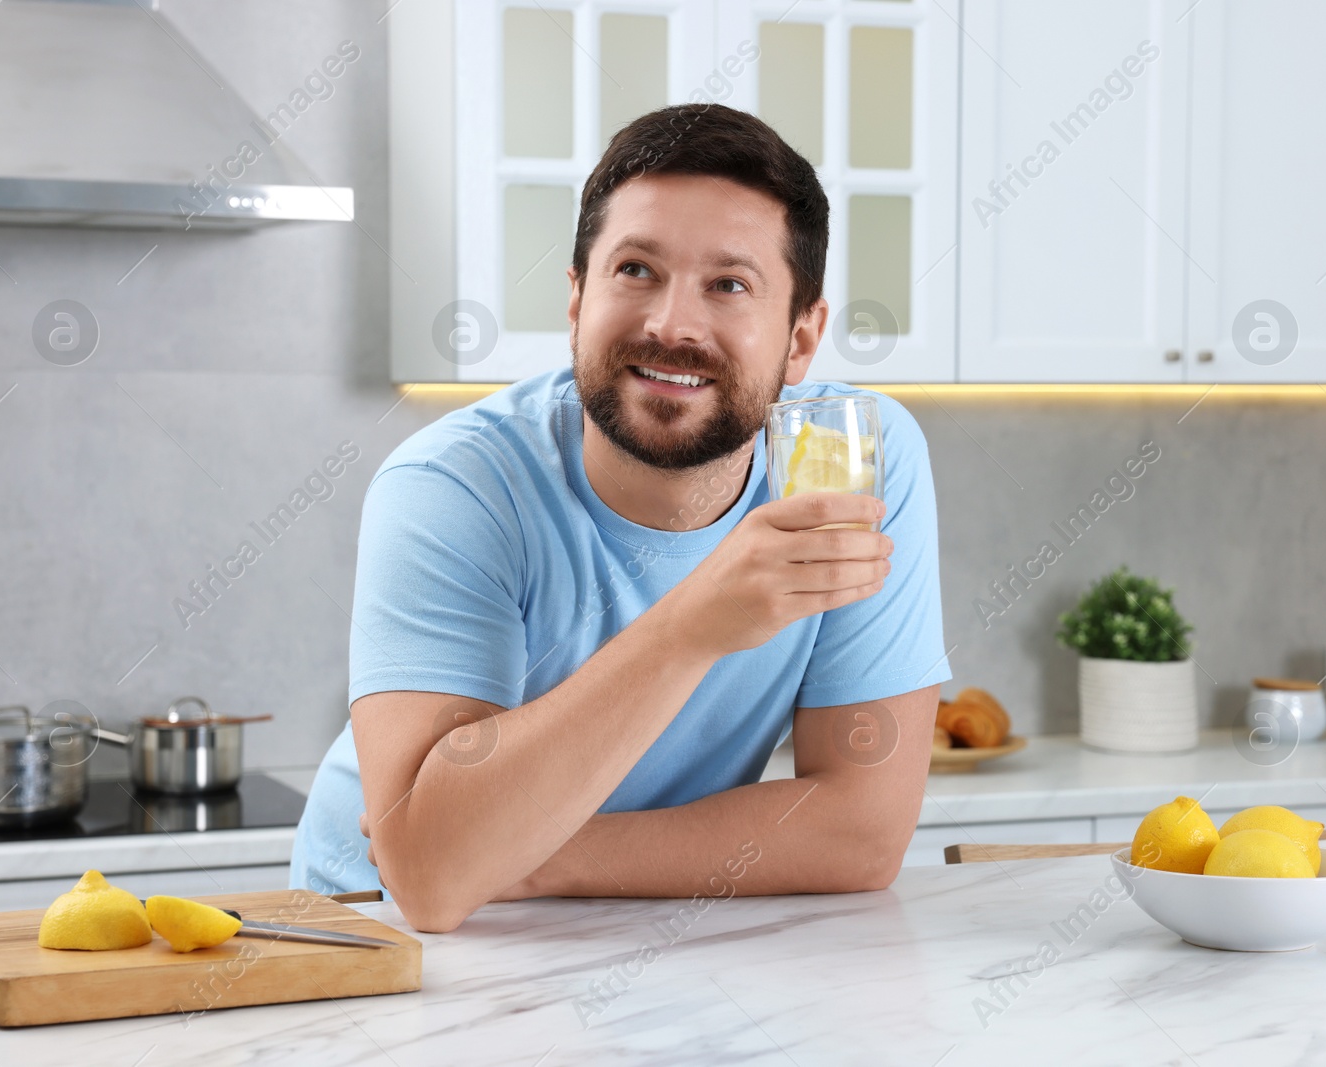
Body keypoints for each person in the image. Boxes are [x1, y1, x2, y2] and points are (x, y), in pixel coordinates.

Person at [290, 103, 950, 932]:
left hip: (621, 917)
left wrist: (521, 856)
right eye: (635, 269)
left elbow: (860, 834)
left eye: (730, 284)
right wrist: (695, 625)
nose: (672, 323)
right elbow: (426, 878)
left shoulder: (848, 458)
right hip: (381, 935)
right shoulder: (453, 485)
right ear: (576, 299)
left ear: (801, 338)